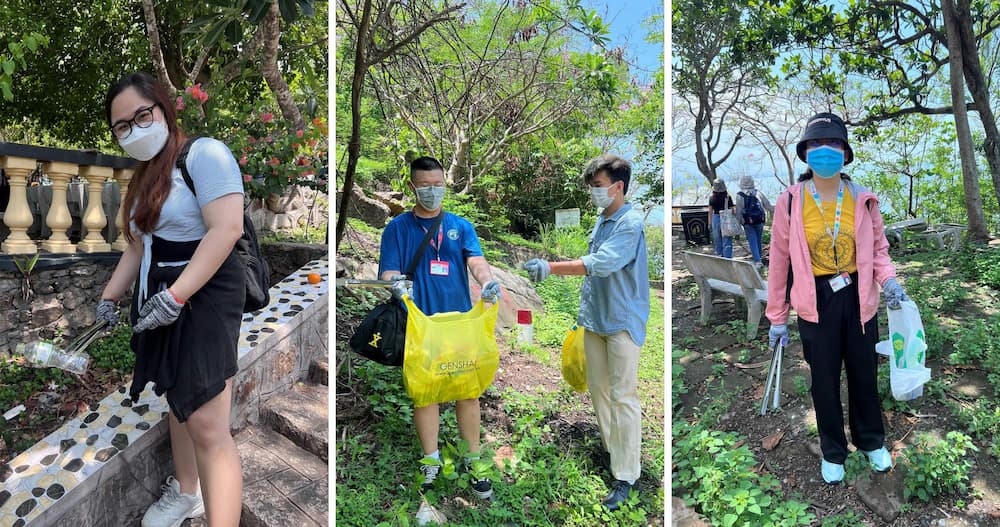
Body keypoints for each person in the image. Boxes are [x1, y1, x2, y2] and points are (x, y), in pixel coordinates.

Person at [96, 72, 246, 526]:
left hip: (203, 300)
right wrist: (109, 297)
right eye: (122, 126)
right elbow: (138, 247)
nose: (134, 129)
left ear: (162, 108)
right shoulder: (145, 177)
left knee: (207, 424)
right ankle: (186, 492)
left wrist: (176, 297)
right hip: (160, 301)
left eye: (142, 115)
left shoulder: (205, 155)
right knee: (177, 400)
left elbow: (227, 228)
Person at [766, 112, 909, 484]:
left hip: (859, 296)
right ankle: (833, 450)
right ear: (805, 153)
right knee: (824, 378)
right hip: (816, 300)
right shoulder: (790, 201)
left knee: (864, 373)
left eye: (832, 144)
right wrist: (777, 315)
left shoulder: (863, 198)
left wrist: (889, 281)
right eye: (815, 144)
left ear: (845, 153)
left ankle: (871, 441)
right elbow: (779, 260)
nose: (824, 151)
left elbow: (878, 249)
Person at [523, 154, 649, 511]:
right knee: (599, 389)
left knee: (624, 396)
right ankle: (613, 451)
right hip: (594, 320)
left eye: (597, 187)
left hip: (622, 320)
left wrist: (551, 267)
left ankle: (627, 475)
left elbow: (603, 264)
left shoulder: (631, 222)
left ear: (618, 186)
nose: (594, 193)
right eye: (592, 187)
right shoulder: (602, 219)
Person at [377, 156, 503, 499]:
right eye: (425, 186)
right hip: (422, 326)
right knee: (426, 393)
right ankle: (430, 460)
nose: (432, 191)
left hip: (460, 325)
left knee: (468, 391)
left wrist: (487, 280)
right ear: (412, 187)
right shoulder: (398, 229)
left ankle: (473, 460)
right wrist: (396, 285)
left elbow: (474, 259)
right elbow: (388, 271)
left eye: (437, 185)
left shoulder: (460, 226)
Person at [734, 175, 775, 269]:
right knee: (758, 240)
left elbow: (739, 210)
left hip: (748, 222)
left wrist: (740, 222)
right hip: (760, 220)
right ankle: (759, 259)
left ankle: (758, 261)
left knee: (752, 241)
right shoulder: (758, 193)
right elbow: (768, 206)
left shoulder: (739, 195)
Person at [708, 179, 734, 258]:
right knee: (727, 237)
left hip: (716, 218)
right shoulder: (728, 197)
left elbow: (710, 212)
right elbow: (732, 210)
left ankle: (719, 255)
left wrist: (709, 224)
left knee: (717, 238)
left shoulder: (712, 198)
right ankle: (728, 257)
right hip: (726, 218)